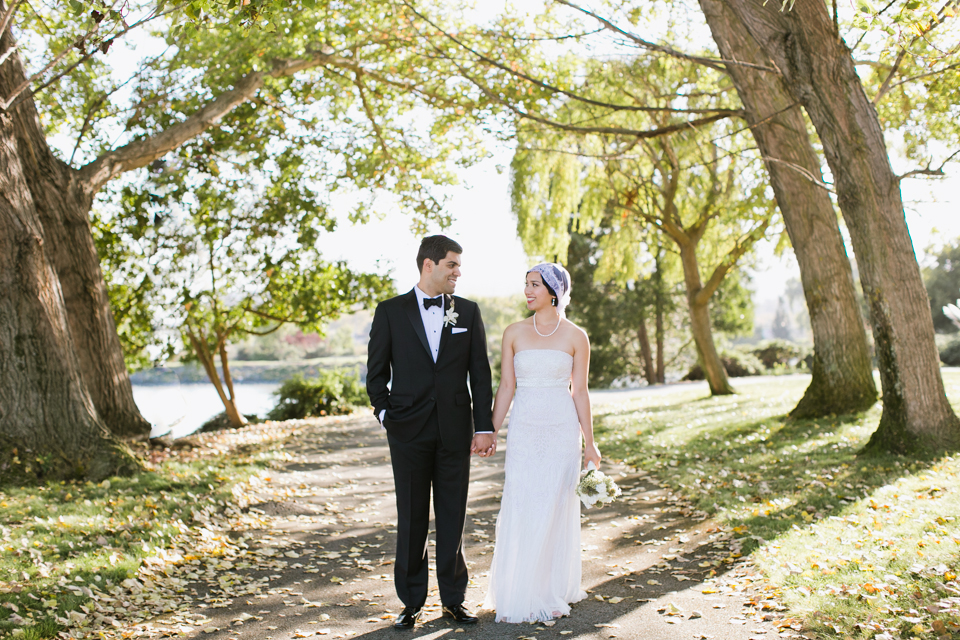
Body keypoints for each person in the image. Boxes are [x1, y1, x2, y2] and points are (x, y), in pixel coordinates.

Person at [366, 235, 495, 629]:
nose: (458, 272)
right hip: (407, 432)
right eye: (452, 265)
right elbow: (375, 375)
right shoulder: (390, 312)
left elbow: (480, 373)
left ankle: (454, 600)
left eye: (458, 265)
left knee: (453, 516)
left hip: (455, 431)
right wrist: (387, 415)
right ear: (429, 265)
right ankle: (411, 602)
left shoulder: (468, 312)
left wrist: (484, 426)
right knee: (412, 518)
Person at [482, 262, 601, 623]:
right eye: (526, 284)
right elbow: (506, 386)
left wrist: (590, 444)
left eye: (535, 284)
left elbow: (579, 392)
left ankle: (547, 591)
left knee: (552, 507)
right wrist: (490, 429)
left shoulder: (576, 336)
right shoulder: (514, 332)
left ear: (554, 291)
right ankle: (516, 589)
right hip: (524, 430)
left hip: (561, 431)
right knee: (522, 502)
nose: (528, 291)